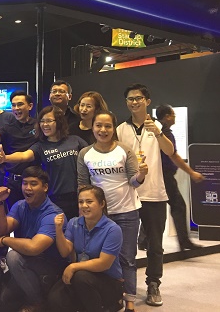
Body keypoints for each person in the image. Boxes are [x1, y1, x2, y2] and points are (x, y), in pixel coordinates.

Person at [77, 110, 148, 312]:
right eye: (98, 125)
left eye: (108, 126)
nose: (103, 130)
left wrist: (141, 175)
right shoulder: (85, 154)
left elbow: (134, 182)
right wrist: (83, 212)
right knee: (101, 258)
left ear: (113, 128)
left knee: (127, 258)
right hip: (99, 216)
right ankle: (112, 298)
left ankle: (130, 300)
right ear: (93, 128)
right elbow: (82, 185)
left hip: (126, 212)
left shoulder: (124, 150)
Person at [116, 83, 174, 307]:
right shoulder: (121, 129)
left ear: (147, 101)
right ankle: (124, 286)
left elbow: (169, 151)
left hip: (154, 193)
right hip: (128, 194)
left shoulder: (158, 126)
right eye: (130, 99)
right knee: (125, 246)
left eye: (138, 98)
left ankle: (153, 283)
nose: (134, 102)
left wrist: (157, 133)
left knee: (155, 244)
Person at [0, 166, 68, 311]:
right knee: (5, 299)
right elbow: (2, 229)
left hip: (49, 268)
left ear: (45, 187)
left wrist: (4, 240)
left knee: (13, 257)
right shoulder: (20, 206)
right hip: (27, 263)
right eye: (24, 183)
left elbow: (34, 247)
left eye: (33, 184)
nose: (27, 188)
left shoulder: (53, 214)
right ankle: (30, 294)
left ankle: (38, 302)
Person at [0, 106, 87, 219]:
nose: (45, 124)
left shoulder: (75, 140)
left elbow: (91, 156)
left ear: (59, 122)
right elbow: (24, 155)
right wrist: (6, 158)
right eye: (42, 121)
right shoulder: (40, 146)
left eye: (49, 121)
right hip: (55, 199)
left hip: (79, 196)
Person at [48, 185, 124, 312]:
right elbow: (64, 252)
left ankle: (109, 306)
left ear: (102, 204)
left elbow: (104, 263)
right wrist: (58, 230)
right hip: (82, 277)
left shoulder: (113, 229)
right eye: (81, 202)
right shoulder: (74, 223)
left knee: (81, 277)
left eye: (89, 201)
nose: (84, 206)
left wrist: (73, 266)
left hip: (108, 280)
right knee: (55, 298)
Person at [156, 104, 204, 251]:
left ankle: (144, 241)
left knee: (155, 208)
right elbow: (174, 156)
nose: (174, 118)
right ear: (167, 117)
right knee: (178, 206)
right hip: (165, 176)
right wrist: (192, 172)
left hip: (159, 176)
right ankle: (184, 241)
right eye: (173, 115)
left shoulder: (158, 132)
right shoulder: (164, 134)